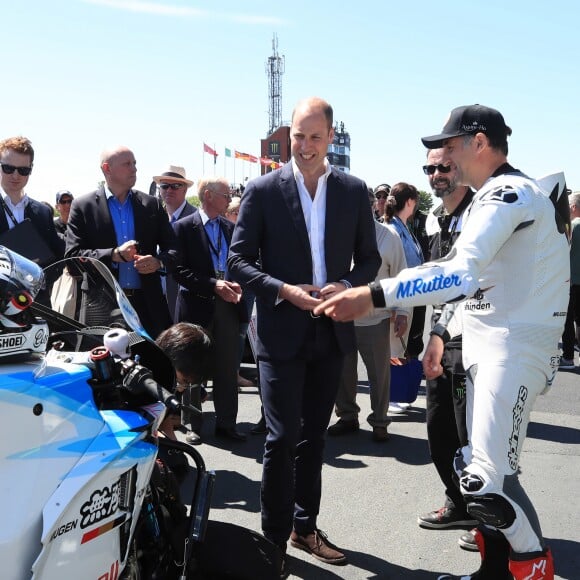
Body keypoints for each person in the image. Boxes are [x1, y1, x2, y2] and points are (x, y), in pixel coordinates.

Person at [315, 104, 569, 580]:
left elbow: (458, 273)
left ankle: (534, 570)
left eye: (450, 146)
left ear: (478, 142)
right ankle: (498, 569)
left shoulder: (508, 193)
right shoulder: (492, 196)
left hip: (512, 350)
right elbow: (468, 280)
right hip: (486, 344)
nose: (443, 157)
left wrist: (372, 295)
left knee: (485, 483)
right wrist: (439, 333)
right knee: (481, 474)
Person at [228, 96, 380, 571]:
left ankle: (304, 527)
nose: (306, 146)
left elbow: (370, 260)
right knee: (280, 438)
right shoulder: (262, 190)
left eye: (315, 137)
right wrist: (285, 291)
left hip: (331, 332)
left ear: (330, 138)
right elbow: (237, 260)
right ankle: (271, 543)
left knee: (313, 438)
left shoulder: (354, 192)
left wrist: (348, 285)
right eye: (298, 135)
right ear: (288, 134)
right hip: (280, 332)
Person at [418, 149, 478, 550]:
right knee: (439, 431)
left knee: (474, 439)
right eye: (430, 168)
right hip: (444, 342)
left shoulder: (482, 215)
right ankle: (458, 503)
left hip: (477, 345)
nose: (437, 174)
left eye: (444, 167)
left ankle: (490, 521)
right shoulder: (437, 219)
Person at [65, 145, 178, 339]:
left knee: (154, 365)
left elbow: (175, 249)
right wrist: (114, 255)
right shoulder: (83, 206)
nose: (134, 169)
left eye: (134, 163)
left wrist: (158, 262)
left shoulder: (151, 204)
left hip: (148, 306)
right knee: (108, 368)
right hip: (104, 308)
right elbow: (72, 258)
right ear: (107, 168)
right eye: (127, 164)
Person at [328, 188, 408, 442]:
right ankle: (347, 416)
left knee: (379, 374)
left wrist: (403, 311)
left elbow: (401, 275)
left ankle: (380, 421)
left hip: (376, 317)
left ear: (374, 206)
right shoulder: (336, 234)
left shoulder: (388, 236)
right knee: (342, 371)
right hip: (342, 316)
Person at [172, 176, 247, 443]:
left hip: (228, 306)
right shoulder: (183, 228)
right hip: (196, 305)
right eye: (226, 195)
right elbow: (178, 271)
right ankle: (192, 424)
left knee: (227, 365)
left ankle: (227, 423)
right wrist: (214, 284)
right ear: (208, 196)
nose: (230, 200)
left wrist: (239, 283)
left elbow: (241, 262)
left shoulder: (231, 228)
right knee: (192, 366)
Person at [384, 182, 426, 413]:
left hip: (408, 298)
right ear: (410, 202)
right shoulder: (391, 229)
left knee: (399, 347)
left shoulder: (403, 227)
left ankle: (395, 394)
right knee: (393, 347)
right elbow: (391, 269)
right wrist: (394, 306)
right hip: (397, 297)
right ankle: (391, 397)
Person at [0, 136, 64, 266]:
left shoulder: (43, 212)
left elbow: (57, 257)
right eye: (8, 168)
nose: (15, 175)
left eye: (23, 170)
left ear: (31, 169)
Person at [152, 165, 197, 322]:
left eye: (175, 186)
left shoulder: (196, 219)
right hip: (158, 296)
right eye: (164, 186)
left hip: (185, 299)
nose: (169, 190)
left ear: (185, 189)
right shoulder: (154, 216)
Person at [560, 191, 580, 369]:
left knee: (567, 320)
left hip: (572, 279)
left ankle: (568, 358)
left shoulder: (573, 226)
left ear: (573, 207)